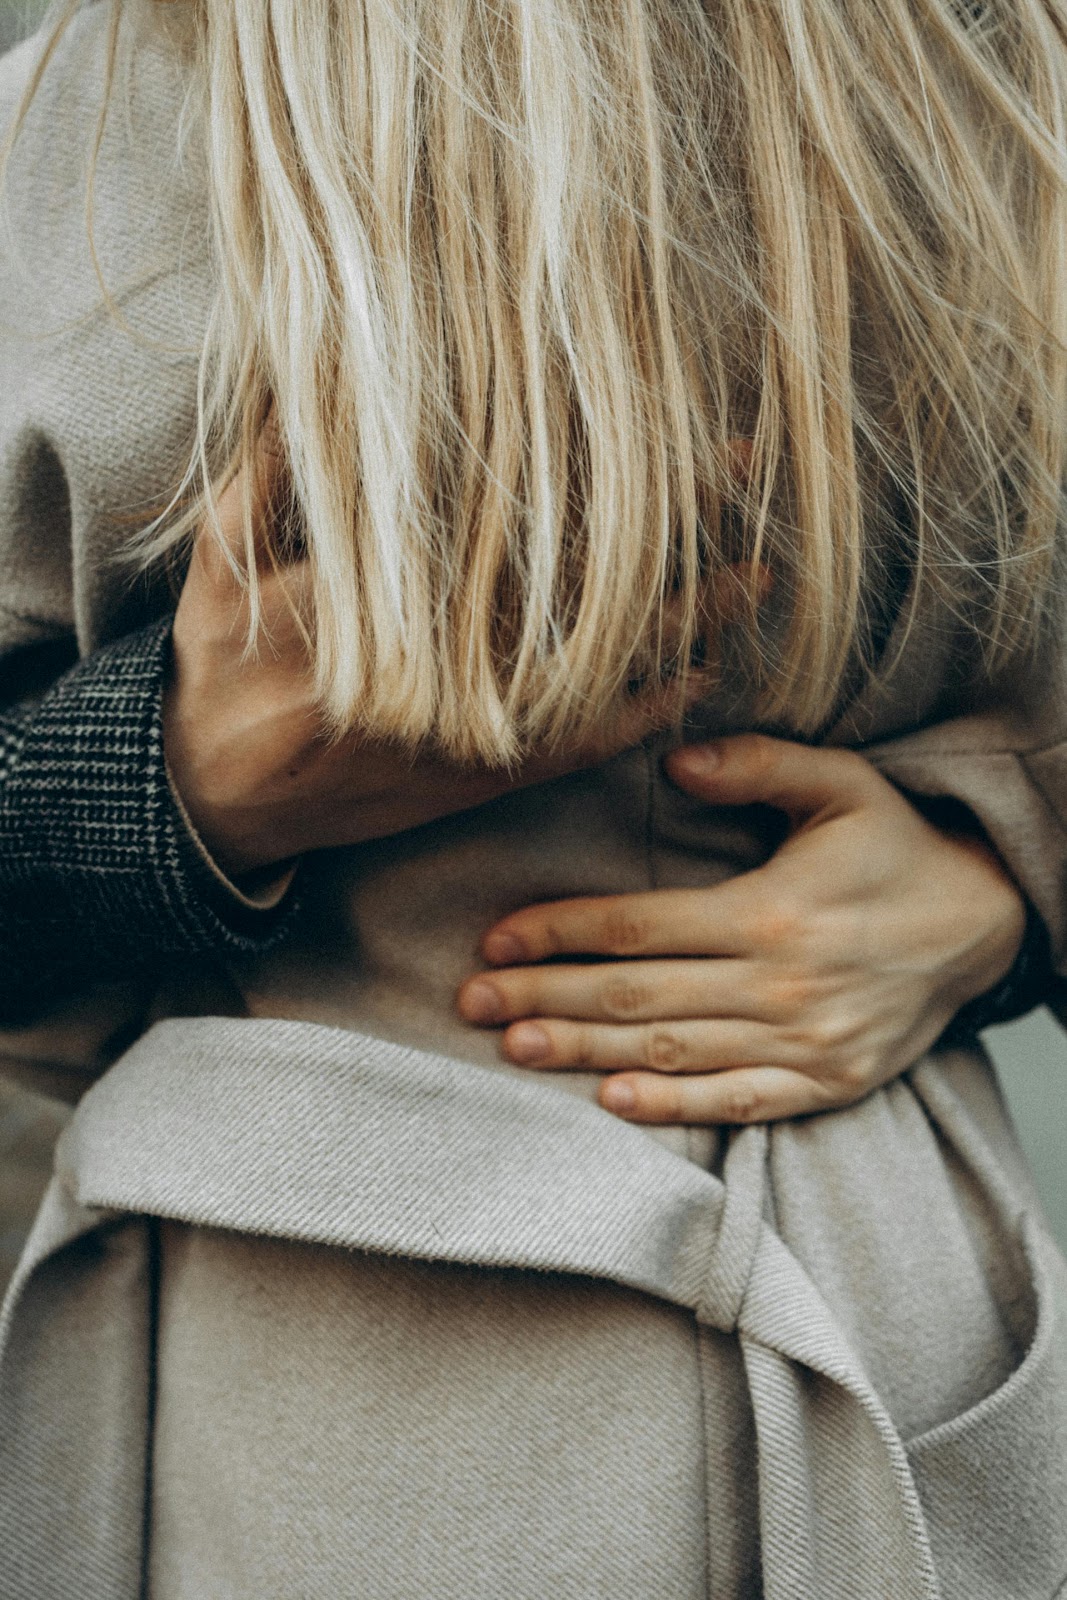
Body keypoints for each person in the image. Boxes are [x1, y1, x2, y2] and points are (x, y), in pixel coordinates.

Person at [0, 1, 1065, 1595]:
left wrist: (1000, 882)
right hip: (311, 1364)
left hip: (797, 1335)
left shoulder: (992, 67)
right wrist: (165, 785)